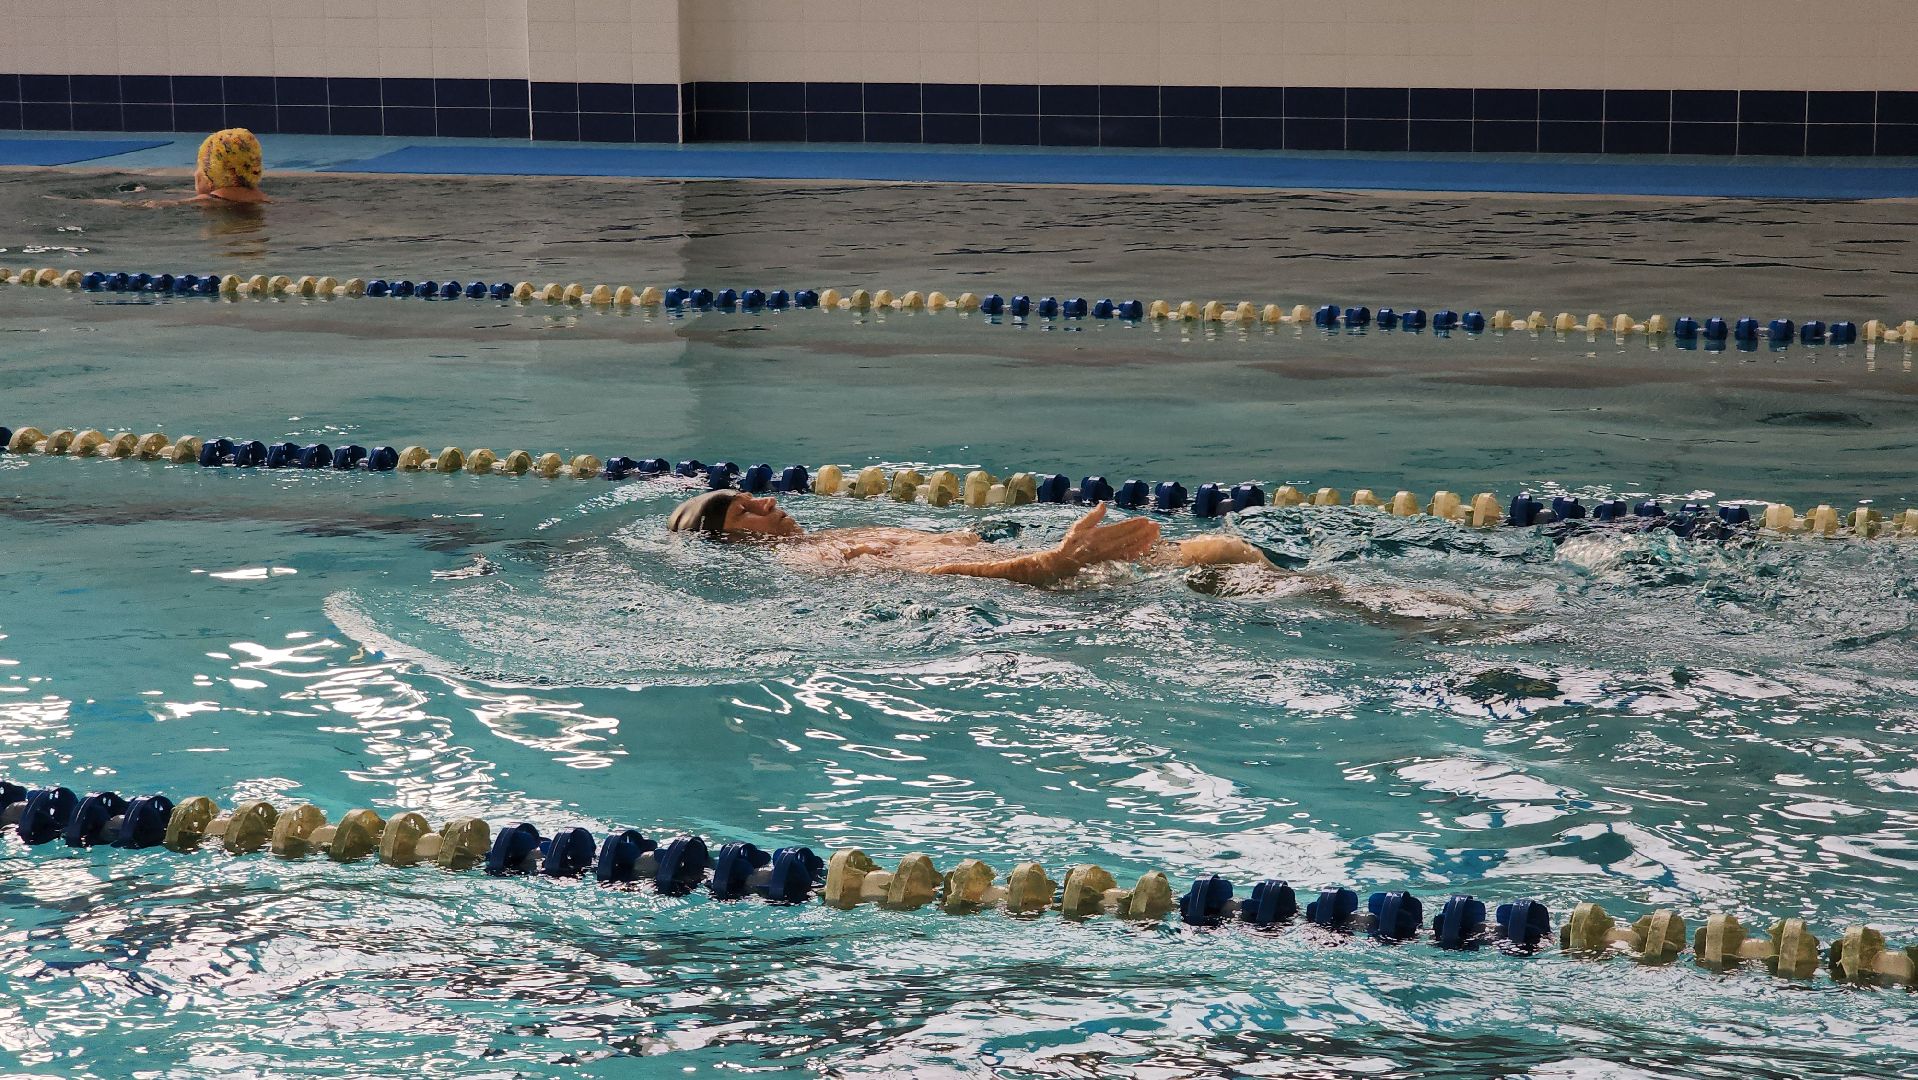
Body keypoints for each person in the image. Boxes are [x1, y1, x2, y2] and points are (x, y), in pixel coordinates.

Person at [666, 490, 1269, 586]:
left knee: (1233, 559)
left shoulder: (835, 533)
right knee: (1227, 554)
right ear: (739, 546)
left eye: (752, 496)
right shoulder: (818, 562)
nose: (768, 502)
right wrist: (1052, 562)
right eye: (747, 514)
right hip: (1051, 585)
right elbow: (931, 578)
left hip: (1054, 570)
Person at [190, 128, 269, 204]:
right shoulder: (266, 200)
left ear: (212, 173)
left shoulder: (205, 201)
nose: (195, 173)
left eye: (200, 166)